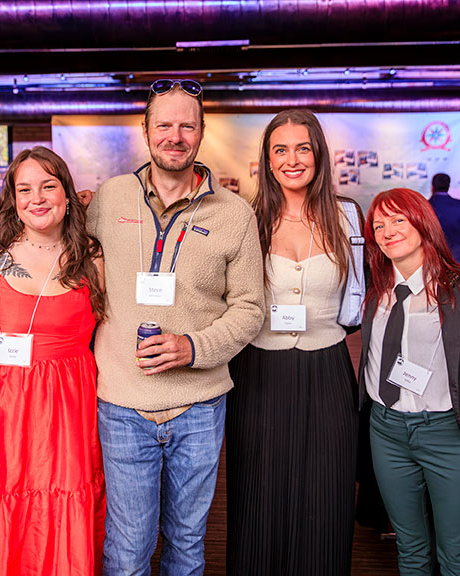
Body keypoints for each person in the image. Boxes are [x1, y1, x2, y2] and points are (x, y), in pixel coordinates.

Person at [86, 79, 265, 575]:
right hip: (121, 403)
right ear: (145, 132)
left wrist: (193, 346)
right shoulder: (109, 197)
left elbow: (251, 308)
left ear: (202, 133)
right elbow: (61, 248)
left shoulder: (235, 214)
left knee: (187, 546)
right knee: (127, 549)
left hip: (200, 407)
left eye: (187, 125)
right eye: (163, 124)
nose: (175, 135)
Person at [0, 146, 106, 575]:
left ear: (68, 193)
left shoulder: (92, 255)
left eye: (49, 185)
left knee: (60, 501)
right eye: (25, 188)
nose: (38, 197)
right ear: (12, 197)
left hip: (67, 409)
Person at [225, 108, 364, 575]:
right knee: (259, 492)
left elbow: (364, 295)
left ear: (319, 154)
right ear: (266, 160)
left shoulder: (348, 217)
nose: (292, 159)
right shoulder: (245, 218)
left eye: (302, 148)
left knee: (326, 491)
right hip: (259, 370)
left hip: (328, 368)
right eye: (279, 150)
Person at [359, 187, 460, 576]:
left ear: (423, 223)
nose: (388, 230)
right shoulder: (376, 289)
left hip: (451, 436)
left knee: (458, 556)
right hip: (387, 432)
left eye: (398, 219)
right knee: (410, 551)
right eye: (379, 225)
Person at [428, 172, 460, 267]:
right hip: (457, 260)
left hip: (431, 261)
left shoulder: (424, 207)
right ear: (448, 186)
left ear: (432, 187)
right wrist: (459, 233)